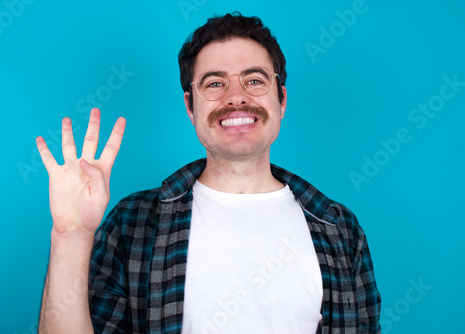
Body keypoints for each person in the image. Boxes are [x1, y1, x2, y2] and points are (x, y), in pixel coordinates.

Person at [37, 12, 381, 334]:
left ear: (282, 100)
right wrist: (70, 236)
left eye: (255, 80)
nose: (236, 98)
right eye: (215, 84)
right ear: (190, 106)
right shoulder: (132, 223)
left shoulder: (339, 229)